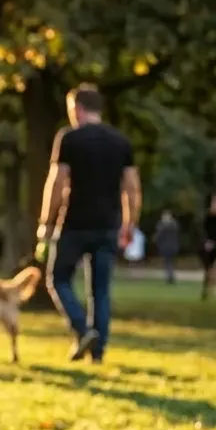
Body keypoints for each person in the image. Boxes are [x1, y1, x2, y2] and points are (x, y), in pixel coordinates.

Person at [39, 84, 140, 363]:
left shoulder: (69, 138)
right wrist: (130, 224)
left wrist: (46, 223)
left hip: (74, 224)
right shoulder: (120, 141)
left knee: (58, 279)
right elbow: (132, 187)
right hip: (108, 225)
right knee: (100, 291)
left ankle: (82, 330)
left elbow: (57, 182)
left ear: (77, 109)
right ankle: (98, 352)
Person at [153, 209, 180, 283]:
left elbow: (158, 236)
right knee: (170, 262)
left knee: (167, 262)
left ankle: (169, 276)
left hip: (166, 246)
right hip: (173, 246)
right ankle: (170, 276)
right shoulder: (174, 225)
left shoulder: (162, 225)